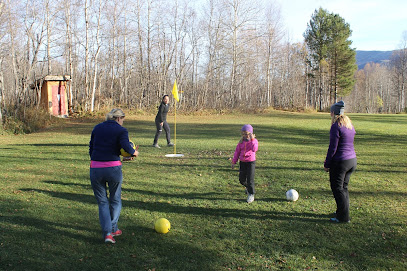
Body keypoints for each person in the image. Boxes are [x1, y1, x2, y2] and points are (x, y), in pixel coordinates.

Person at [89, 108, 139, 243]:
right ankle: (111, 229)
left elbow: (91, 147)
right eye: (123, 119)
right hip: (113, 169)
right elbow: (126, 146)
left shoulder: (97, 128)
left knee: (102, 202)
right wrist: (134, 153)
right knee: (115, 199)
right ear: (118, 118)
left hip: (95, 168)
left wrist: (97, 161)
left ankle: (109, 232)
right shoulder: (121, 130)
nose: (122, 122)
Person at [324, 101, 357, 223]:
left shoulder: (336, 126)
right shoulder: (349, 125)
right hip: (351, 161)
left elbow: (333, 147)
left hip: (341, 162)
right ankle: (342, 212)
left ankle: (343, 217)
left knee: (338, 189)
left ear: (333, 113)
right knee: (344, 188)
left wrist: (327, 164)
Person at [232, 124, 259, 203]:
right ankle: (249, 188)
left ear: (250, 133)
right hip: (242, 162)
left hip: (251, 162)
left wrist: (253, 140)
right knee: (242, 180)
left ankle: (251, 194)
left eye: (247, 134)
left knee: (250, 179)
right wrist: (234, 161)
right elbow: (237, 152)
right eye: (243, 134)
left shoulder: (254, 141)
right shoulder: (241, 142)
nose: (245, 135)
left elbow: (254, 149)